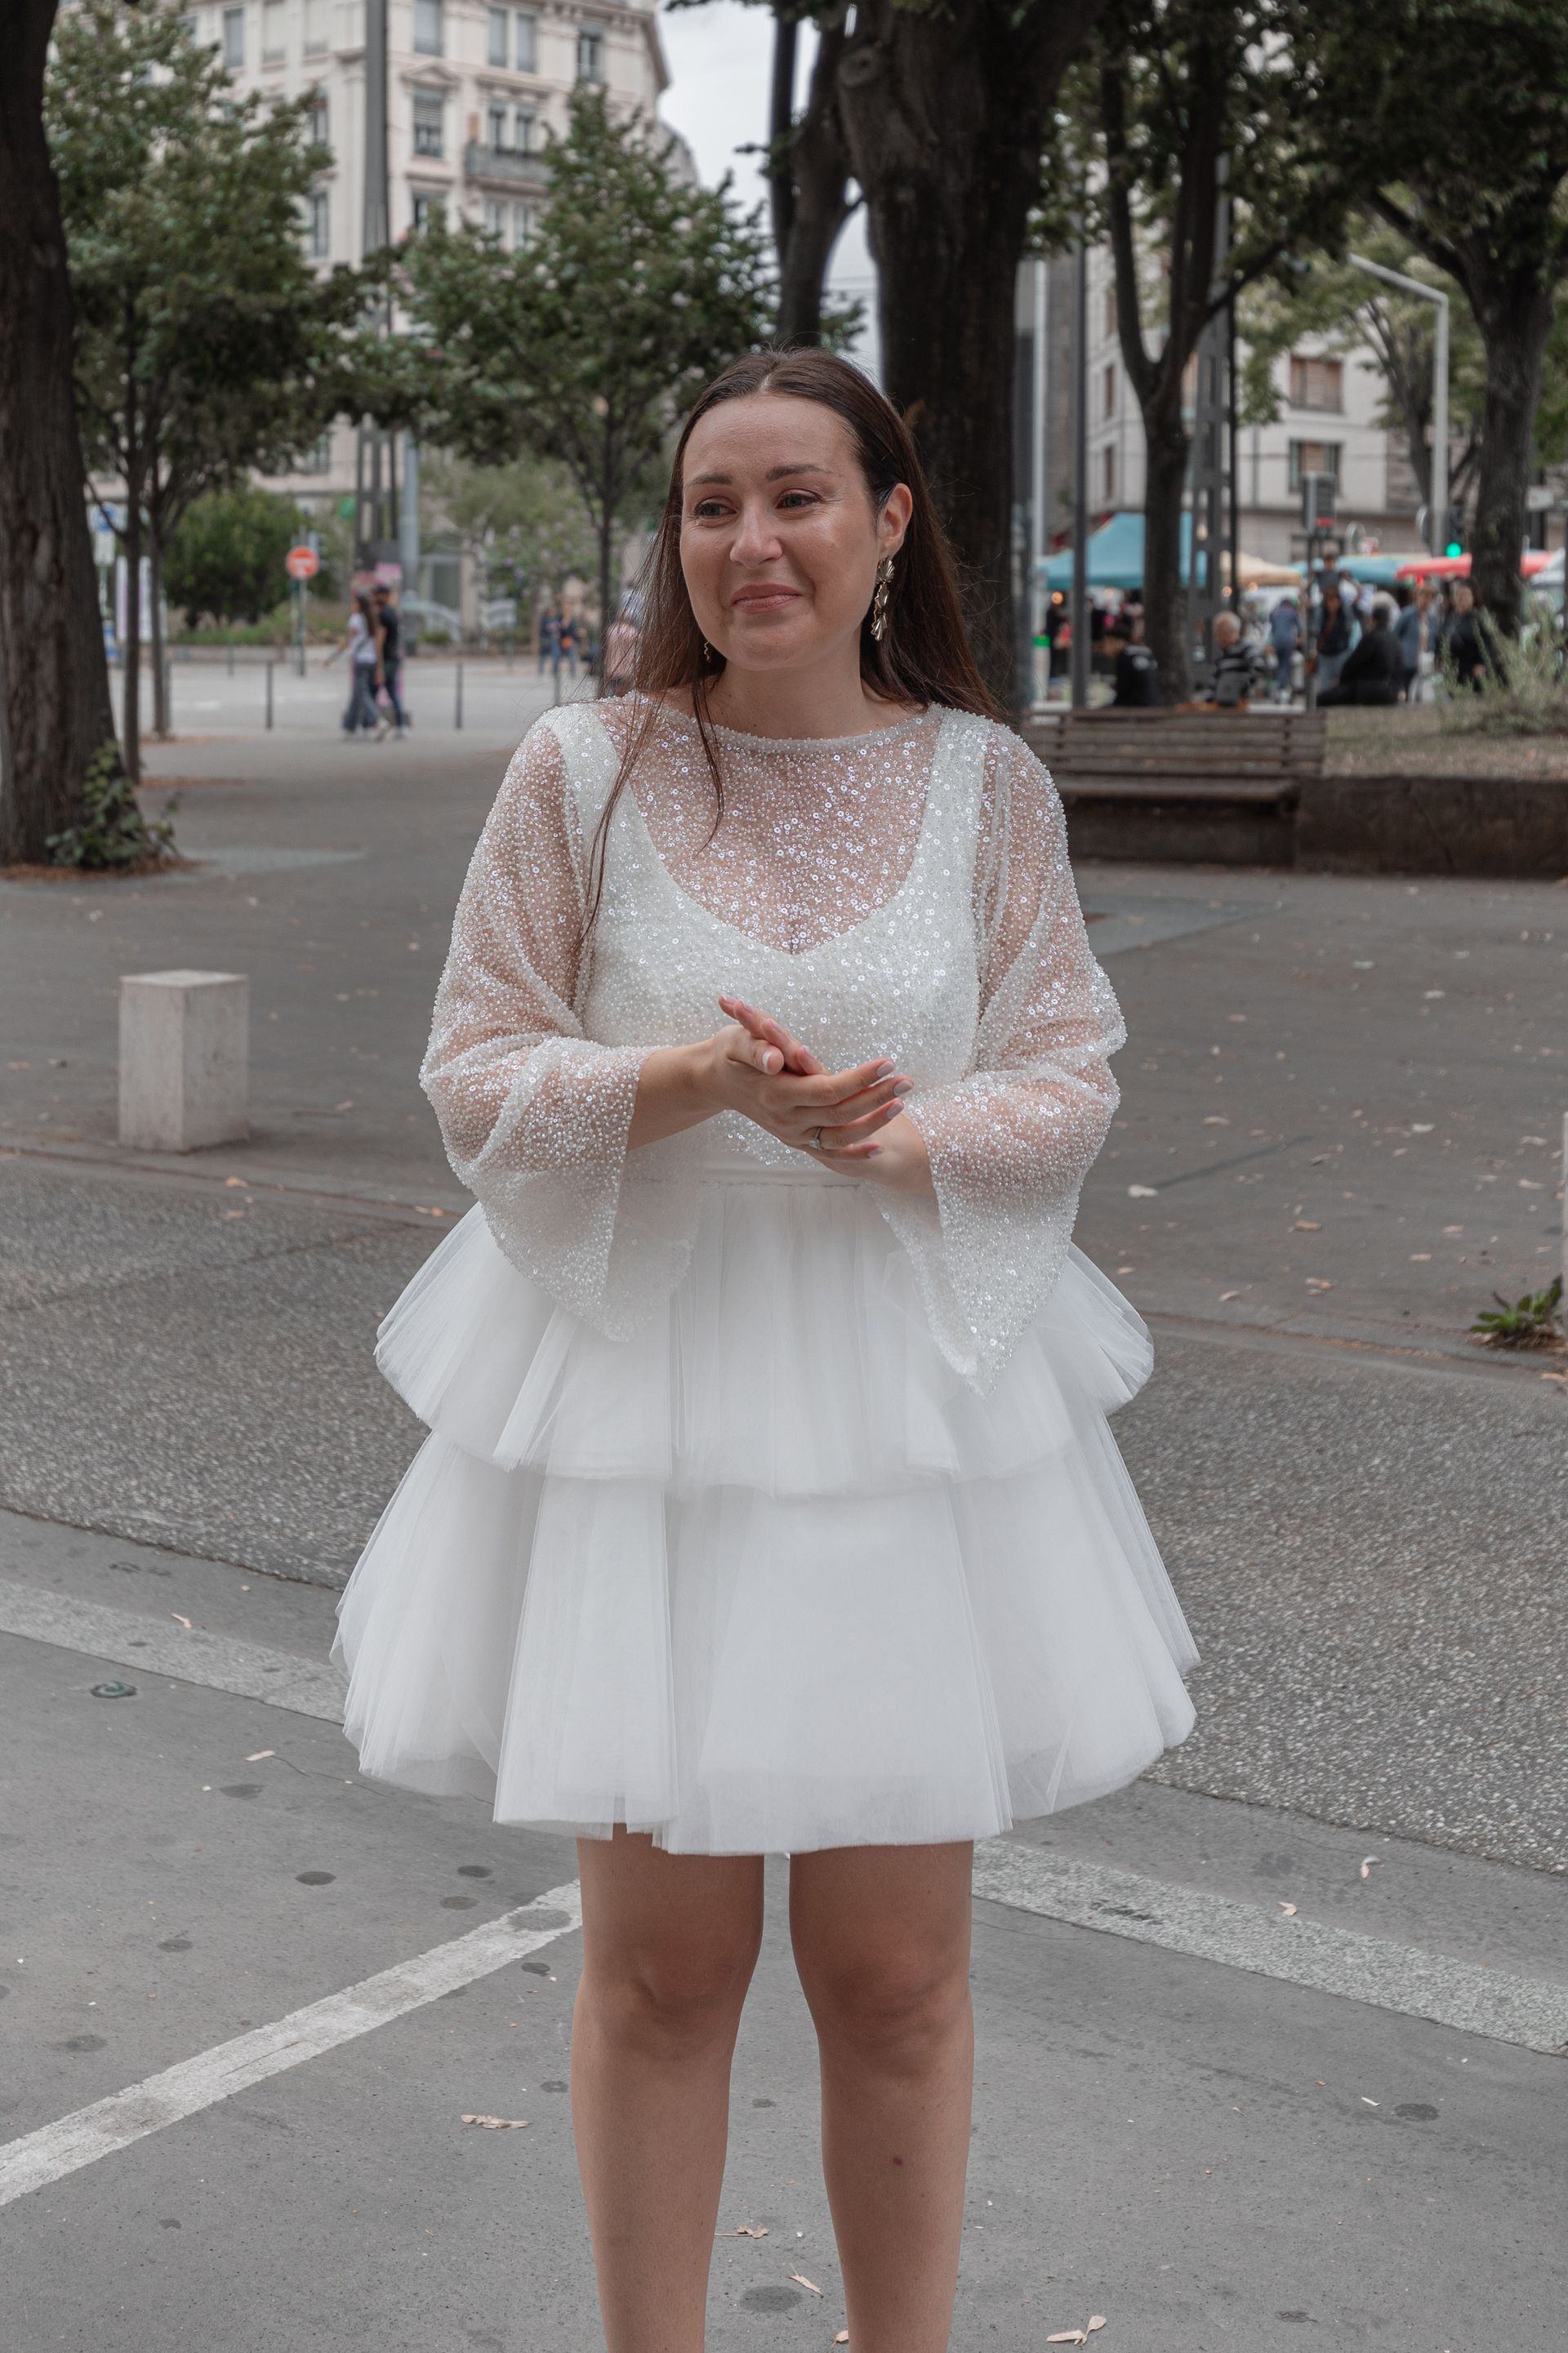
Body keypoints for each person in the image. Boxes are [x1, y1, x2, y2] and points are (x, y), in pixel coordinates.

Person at [332, 347, 1196, 2353]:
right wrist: (690, 1078)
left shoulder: (989, 781)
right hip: (644, 1392)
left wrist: (914, 1137)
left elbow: (1069, 1068)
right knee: (661, 1973)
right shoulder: (586, 765)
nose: (752, 543)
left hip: (906, 1413)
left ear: (891, 520)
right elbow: (474, 1068)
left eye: (797, 496)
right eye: (712, 504)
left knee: (894, 1975)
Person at [1317, 596, 1404, 706]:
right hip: (1392, 691)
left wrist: (1342, 681)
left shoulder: (1372, 637)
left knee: (1322, 699)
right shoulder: (1394, 639)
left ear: (1373, 620)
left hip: (1371, 690)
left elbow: (1353, 664)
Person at [331, 592, 380, 735]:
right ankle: (350, 725)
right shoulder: (371, 618)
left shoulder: (356, 619)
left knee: (362, 693)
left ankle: (376, 720)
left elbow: (349, 640)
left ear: (359, 604)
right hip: (372, 660)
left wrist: (334, 655)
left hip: (360, 660)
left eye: (354, 603)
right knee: (357, 693)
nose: (352, 606)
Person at [372, 585, 408, 738]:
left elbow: (379, 642)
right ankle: (400, 726)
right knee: (393, 694)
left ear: (384, 596)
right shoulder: (392, 613)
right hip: (393, 658)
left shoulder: (384, 615)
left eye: (377, 595)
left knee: (370, 692)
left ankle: (377, 724)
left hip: (387, 660)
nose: (374, 598)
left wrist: (378, 666)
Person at [1104, 613, 1160, 705]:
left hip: (1135, 709)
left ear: (1119, 642)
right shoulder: (1145, 653)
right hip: (1154, 705)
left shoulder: (1124, 659)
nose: (1105, 647)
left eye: (1108, 642)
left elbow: (1123, 693)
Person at [1442, 577, 1488, 690]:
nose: (1461, 598)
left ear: (1473, 597)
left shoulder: (1478, 619)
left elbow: (1488, 643)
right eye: (1458, 594)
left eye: (1465, 595)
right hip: (1452, 670)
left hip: (1471, 670)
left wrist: (1481, 663)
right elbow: (1442, 638)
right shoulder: (1451, 617)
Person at [1207, 608, 1255, 705]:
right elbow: (1214, 683)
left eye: (1218, 633)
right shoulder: (1221, 656)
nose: (1217, 638)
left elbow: (1259, 667)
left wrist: (1242, 686)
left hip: (1240, 702)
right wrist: (1209, 701)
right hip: (1222, 702)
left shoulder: (1245, 648)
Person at [1312, 579, 1352, 695]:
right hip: (1325, 655)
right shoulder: (1320, 614)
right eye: (1329, 600)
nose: (1332, 603)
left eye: (1335, 600)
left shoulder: (1344, 614)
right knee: (1325, 688)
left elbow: (1350, 627)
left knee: (1342, 687)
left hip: (1342, 653)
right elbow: (1315, 629)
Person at [1267, 593, 1302, 703]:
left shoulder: (1274, 613)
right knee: (1285, 666)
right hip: (1288, 642)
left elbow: (1272, 629)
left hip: (1277, 642)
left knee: (1280, 665)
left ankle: (1280, 688)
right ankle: (1281, 689)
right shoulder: (1292, 612)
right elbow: (1300, 628)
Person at [604, 604, 639, 693]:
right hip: (627, 670)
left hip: (612, 670)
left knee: (615, 694)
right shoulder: (631, 631)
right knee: (625, 694)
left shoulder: (611, 630)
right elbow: (642, 640)